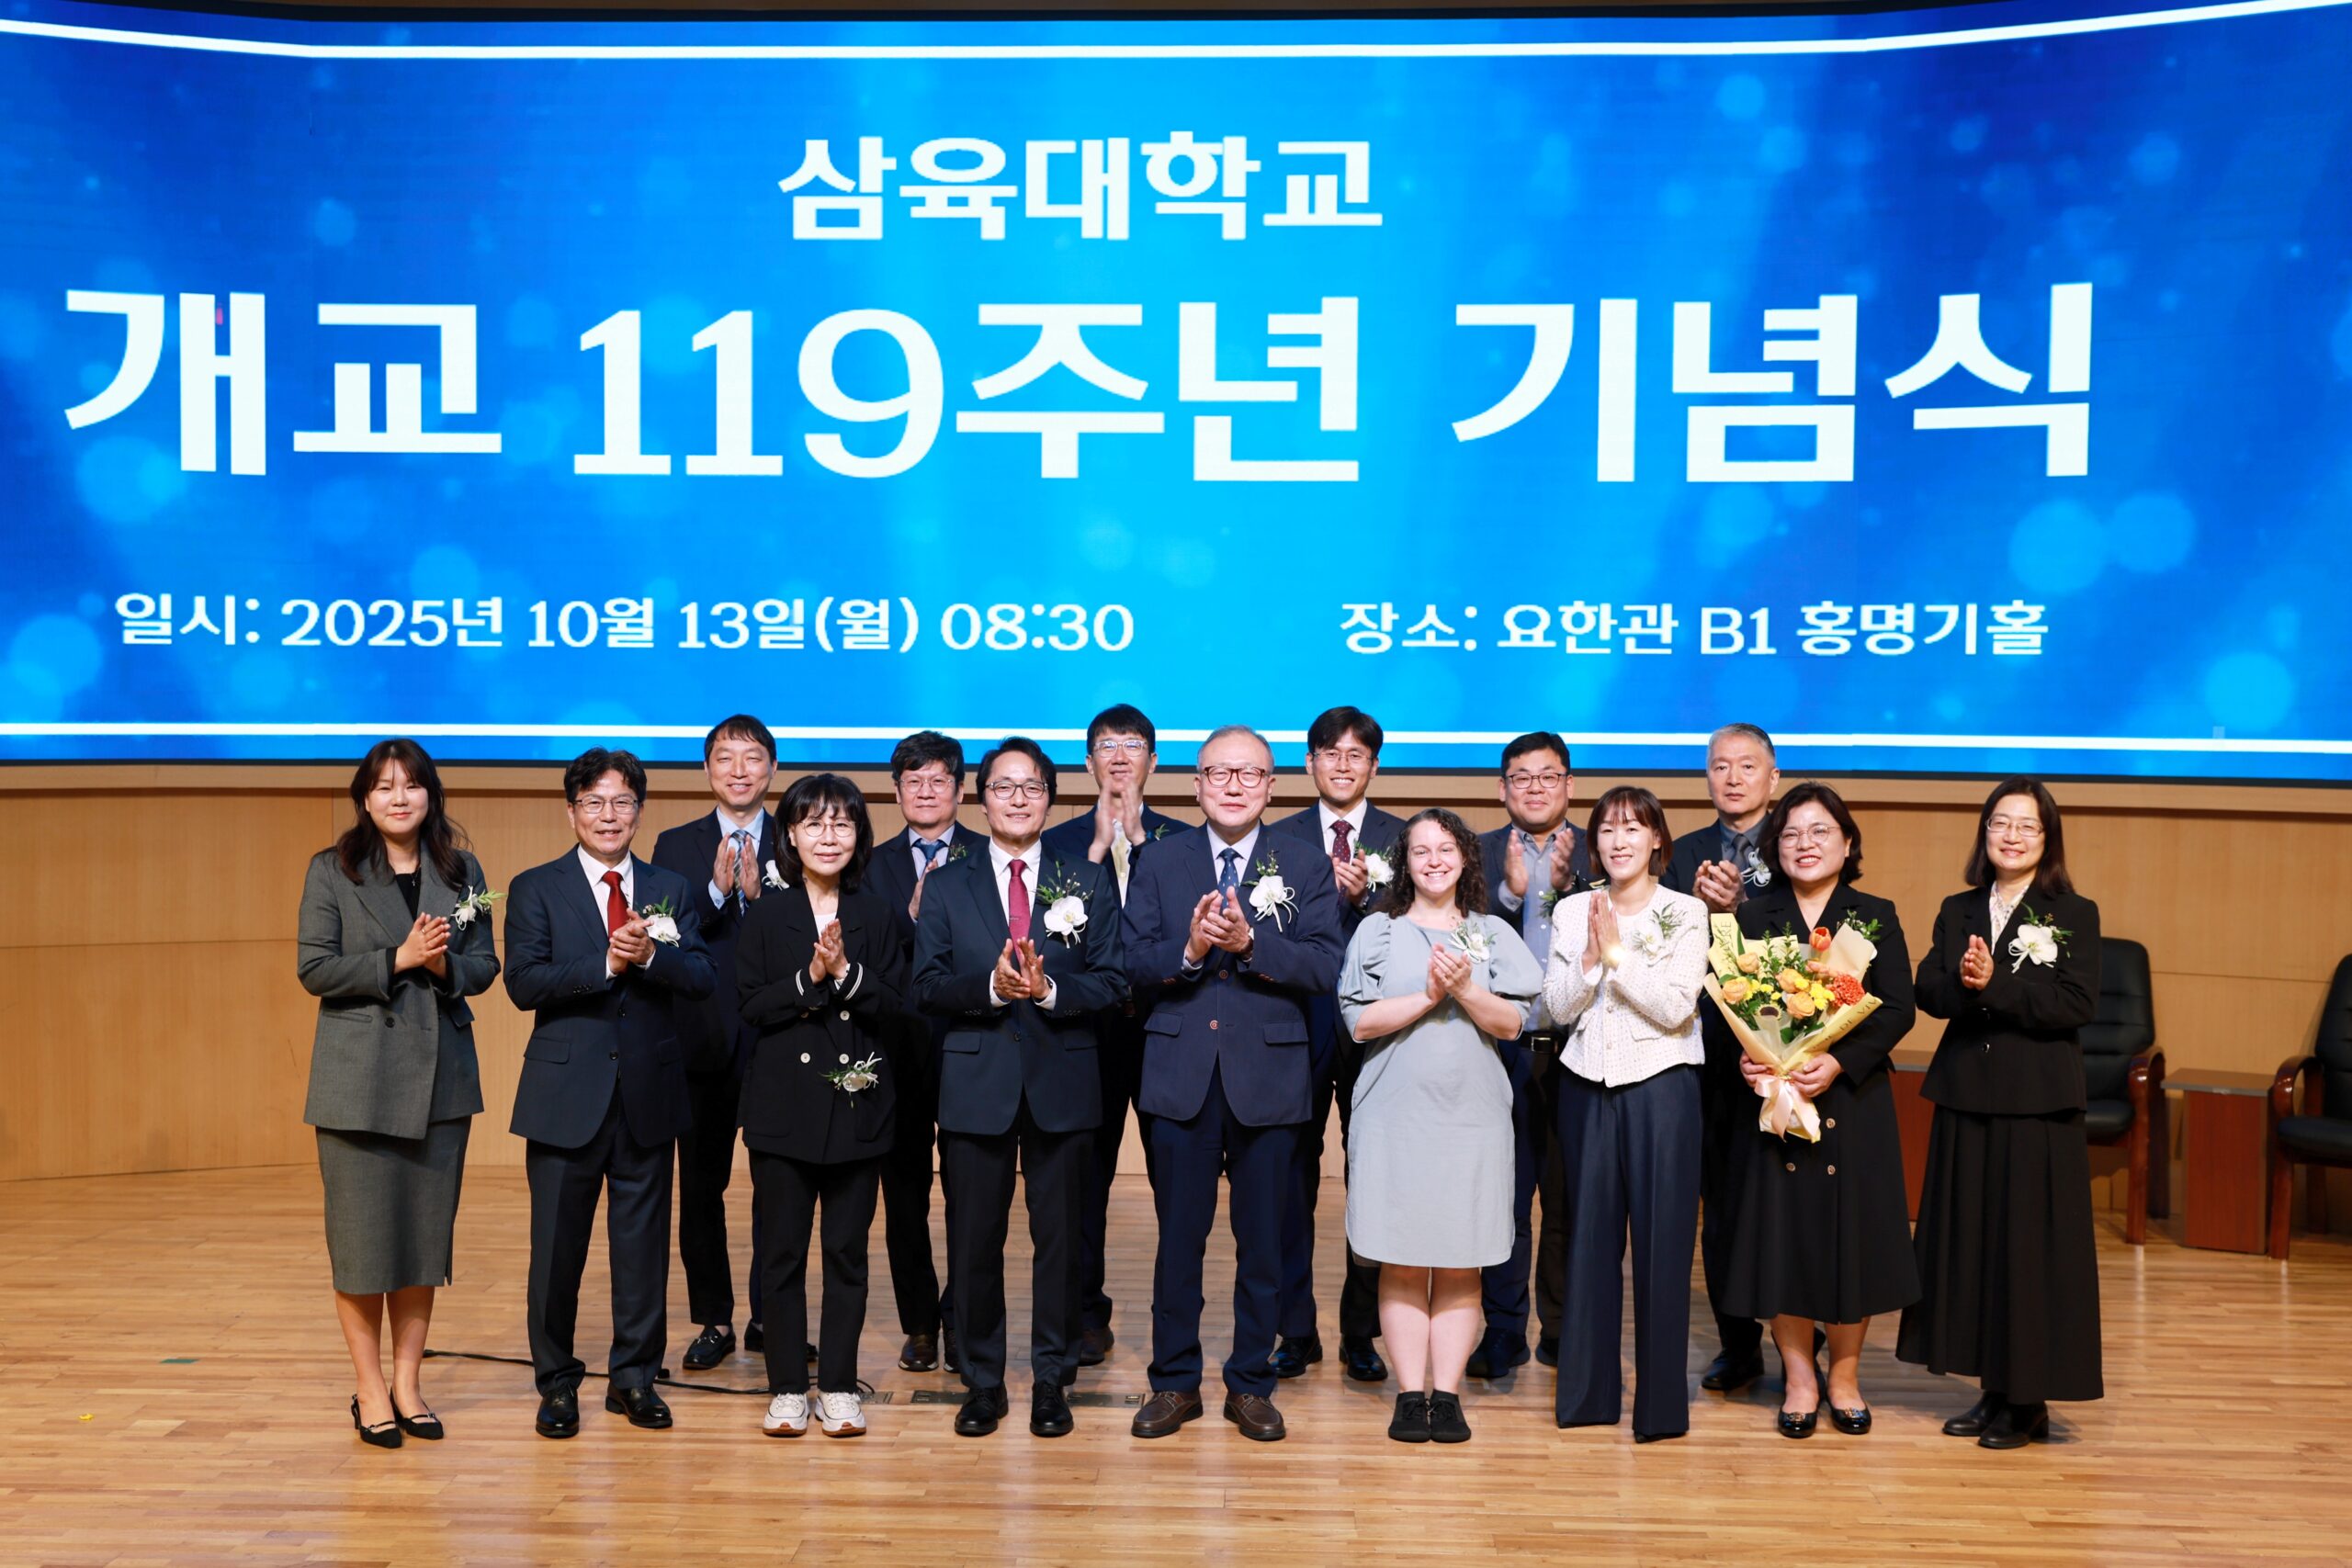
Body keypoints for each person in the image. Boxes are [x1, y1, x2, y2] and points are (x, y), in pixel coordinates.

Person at [1124, 725, 1342, 1443]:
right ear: (1196, 784)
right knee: (1178, 1242)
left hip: (1269, 1078)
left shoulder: (1304, 862)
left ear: (1271, 786)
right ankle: (1173, 1380)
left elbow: (1324, 966)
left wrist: (1253, 945)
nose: (1234, 785)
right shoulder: (1160, 860)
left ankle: (1251, 1383)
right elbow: (1131, 959)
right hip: (1181, 1076)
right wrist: (1189, 951)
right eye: (1219, 772)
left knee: (1264, 1244)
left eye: (1250, 773)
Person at [912, 738, 1129, 1439]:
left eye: (1031, 786)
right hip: (976, 1082)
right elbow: (926, 984)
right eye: (1003, 787)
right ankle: (982, 1380)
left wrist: (1050, 989)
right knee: (974, 1240)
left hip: (1061, 1079)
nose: (1017, 798)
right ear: (981, 800)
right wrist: (990, 988)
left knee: (1061, 1241)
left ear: (1049, 798)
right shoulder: (948, 883)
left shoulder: (1086, 879)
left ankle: (1051, 1377)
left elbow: (1113, 980)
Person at [504, 748, 715, 1439]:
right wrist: (605, 962)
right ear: (572, 812)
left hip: (648, 1094)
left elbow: (702, 977)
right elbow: (523, 983)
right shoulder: (536, 887)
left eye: (622, 802)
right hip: (565, 1097)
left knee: (643, 1251)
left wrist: (652, 956)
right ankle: (557, 1382)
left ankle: (634, 1379)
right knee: (555, 1252)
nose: (608, 815)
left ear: (639, 811)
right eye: (594, 802)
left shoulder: (670, 886)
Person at [298, 739, 500, 1449]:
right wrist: (398, 958)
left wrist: (443, 967)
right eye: (384, 786)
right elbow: (315, 968)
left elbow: (485, 965)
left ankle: (409, 1384)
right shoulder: (333, 869)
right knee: (361, 1246)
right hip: (358, 1083)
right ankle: (369, 1388)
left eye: (411, 784)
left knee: (420, 1243)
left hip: (441, 1082)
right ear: (365, 798)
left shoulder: (462, 870)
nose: (398, 797)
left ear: (430, 795)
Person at [1898, 779, 2104, 1450]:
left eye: (2026, 826)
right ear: (1984, 833)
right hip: (1966, 1097)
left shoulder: (2073, 912)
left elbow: (2075, 1004)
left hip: (2036, 1104)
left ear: (2048, 839)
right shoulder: (1959, 908)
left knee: (2028, 1253)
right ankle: (1992, 1387)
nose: (2011, 836)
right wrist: (1964, 982)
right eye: (2000, 823)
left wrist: (1998, 985)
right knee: (1973, 1247)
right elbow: (1928, 988)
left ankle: (2028, 1399)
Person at [1718, 783, 1919, 1438]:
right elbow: (1730, 1005)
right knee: (1786, 1242)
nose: (1804, 844)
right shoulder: (1755, 916)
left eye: (1819, 831)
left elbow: (1898, 1006)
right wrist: (1750, 1058)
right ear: (1775, 848)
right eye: (1790, 834)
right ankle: (1800, 1377)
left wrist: (1839, 1060)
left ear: (1847, 842)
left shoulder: (1874, 915)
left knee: (1850, 1242)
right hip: (1779, 1107)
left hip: (1852, 1103)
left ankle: (1845, 1377)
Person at [1340, 809, 1543, 1444]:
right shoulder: (1378, 930)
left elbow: (1515, 1022)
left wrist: (1465, 991)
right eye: (1420, 850)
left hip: (1472, 1119)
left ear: (1465, 858)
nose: (1434, 860)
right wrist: (1430, 996)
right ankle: (1409, 1394)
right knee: (1401, 1258)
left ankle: (1447, 1395)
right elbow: (1358, 1022)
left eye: (1446, 848)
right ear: (1405, 862)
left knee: (1460, 1261)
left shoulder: (1489, 932)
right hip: (1393, 1117)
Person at [734, 773, 905, 1439]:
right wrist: (809, 978)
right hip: (782, 1113)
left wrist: (847, 975)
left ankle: (836, 1385)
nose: (828, 836)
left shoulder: (880, 915)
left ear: (860, 834)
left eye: (841, 823)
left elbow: (900, 1009)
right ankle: (784, 1387)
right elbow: (750, 1004)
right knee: (780, 1255)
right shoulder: (766, 916)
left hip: (859, 1110)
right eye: (813, 823)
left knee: (845, 1255)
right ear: (790, 836)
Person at [1544, 785, 1708, 1442]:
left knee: (1664, 1247)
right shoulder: (1572, 909)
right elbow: (1558, 1007)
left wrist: (1617, 954)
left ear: (1656, 839)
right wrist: (1590, 958)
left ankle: (1660, 1407)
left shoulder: (1686, 911)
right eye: (1607, 830)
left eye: (1632, 829)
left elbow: (1675, 1007)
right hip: (1586, 1085)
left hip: (1662, 1088)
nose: (1618, 841)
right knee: (1587, 1242)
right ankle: (1587, 1395)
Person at [1039, 702, 1187, 1367]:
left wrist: (1140, 842)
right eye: (1106, 745)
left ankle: (1173, 1323)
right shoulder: (1059, 843)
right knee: (1082, 1183)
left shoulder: (1183, 842)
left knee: (1176, 1184)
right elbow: (1052, 942)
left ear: (1153, 761)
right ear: (1088, 762)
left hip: (1164, 1031)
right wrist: (1101, 850)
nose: (1120, 755)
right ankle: (1083, 1315)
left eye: (1132, 744)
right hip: (1085, 1035)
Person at [1267, 705, 1401, 1383]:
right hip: (1296, 1022)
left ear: (1374, 765)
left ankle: (1360, 1330)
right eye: (1330, 752)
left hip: (1379, 1026)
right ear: (1310, 763)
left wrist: (1369, 898)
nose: (1343, 765)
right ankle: (1295, 1328)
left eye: (1356, 754)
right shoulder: (1277, 838)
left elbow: (1422, 925)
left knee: (1371, 1175)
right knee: (1291, 1176)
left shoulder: (1405, 838)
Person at [650, 715, 776, 1372]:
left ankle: (771, 1315)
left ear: (771, 768)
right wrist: (715, 892)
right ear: (707, 770)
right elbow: (666, 933)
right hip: (700, 1036)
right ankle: (715, 1318)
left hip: (781, 1038)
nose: (738, 770)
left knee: (780, 1187)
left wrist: (761, 898)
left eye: (751, 757)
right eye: (725, 757)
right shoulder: (675, 844)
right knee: (701, 1187)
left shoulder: (799, 834)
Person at [861, 730, 989, 1374]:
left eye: (939, 780)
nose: (927, 791)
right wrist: (913, 921)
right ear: (897, 792)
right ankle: (919, 1323)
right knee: (904, 1194)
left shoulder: (989, 857)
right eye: (914, 781)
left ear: (961, 791)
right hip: (897, 1050)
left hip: (971, 1043)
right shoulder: (870, 864)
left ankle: (963, 1317)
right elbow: (864, 954)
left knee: (971, 1193)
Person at [1660, 721, 1783, 1394]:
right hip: (1704, 1053)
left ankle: (1805, 1335)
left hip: (1786, 1051)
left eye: (1746, 765)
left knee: (1789, 1199)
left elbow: (1812, 935)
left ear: (1773, 776)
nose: (1732, 778)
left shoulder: (1798, 839)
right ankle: (1739, 1344)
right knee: (1723, 1204)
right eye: (1719, 766)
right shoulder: (1684, 853)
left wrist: (1743, 908)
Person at [1470, 731, 1588, 1376]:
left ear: (1569, 784)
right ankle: (1504, 1330)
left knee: (1567, 1200)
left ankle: (1564, 1329)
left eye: (1549, 775)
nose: (1535, 787)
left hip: (1579, 1052)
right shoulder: (1475, 853)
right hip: (1502, 1049)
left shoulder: (1599, 850)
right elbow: (1461, 943)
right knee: (1505, 1200)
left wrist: (1569, 888)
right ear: (1502, 788)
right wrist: (1510, 896)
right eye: (1522, 776)